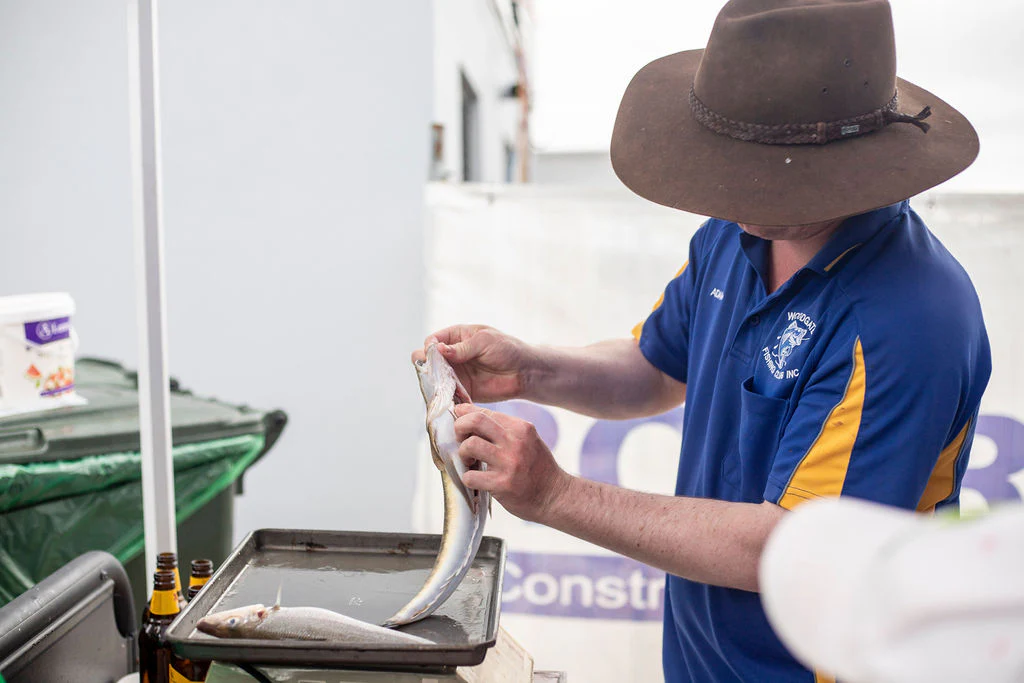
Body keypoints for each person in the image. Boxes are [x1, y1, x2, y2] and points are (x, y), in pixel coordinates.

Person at [414, 0, 992, 680]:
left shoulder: (908, 317)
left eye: (759, 168)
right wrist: (530, 370)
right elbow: (655, 367)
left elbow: (791, 547)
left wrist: (556, 495)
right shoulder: (737, 229)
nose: (732, 188)